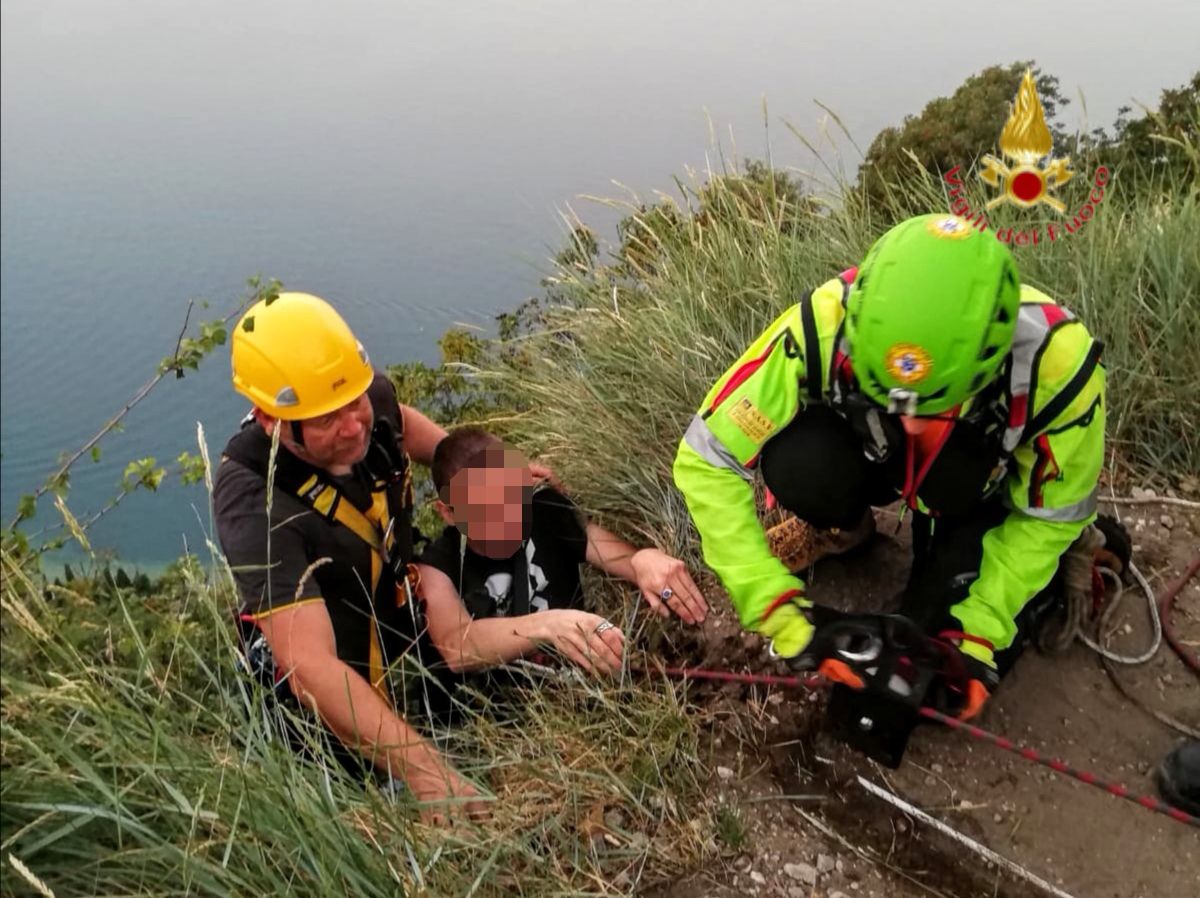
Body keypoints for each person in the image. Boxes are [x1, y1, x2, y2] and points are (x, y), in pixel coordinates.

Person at [212, 292, 633, 821]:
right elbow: (310, 667)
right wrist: (426, 772)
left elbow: (416, 435)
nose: (353, 427)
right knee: (366, 807)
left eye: (355, 402)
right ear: (273, 422)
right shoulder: (252, 501)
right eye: (325, 419)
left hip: (398, 634)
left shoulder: (370, 406)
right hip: (326, 698)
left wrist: (497, 475)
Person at [673, 213, 1107, 720]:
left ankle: (1046, 549)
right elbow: (707, 458)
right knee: (800, 462)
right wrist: (774, 608)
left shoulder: (1061, 369)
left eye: (937, 408)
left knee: (932, 680)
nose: (914, 427)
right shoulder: (826, 321)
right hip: (871, 453)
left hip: (976, 484)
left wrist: (981, 627)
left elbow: (1050, 515)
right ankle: (847, 528)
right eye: (894, 399)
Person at [415, 427, 707, 677]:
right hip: (505, 723)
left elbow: (607, 550)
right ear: (448, 513)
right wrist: (550, 625)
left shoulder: (544, 510)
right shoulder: (438, 568)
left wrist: (644, 560)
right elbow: (457, 646)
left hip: (584, 687)